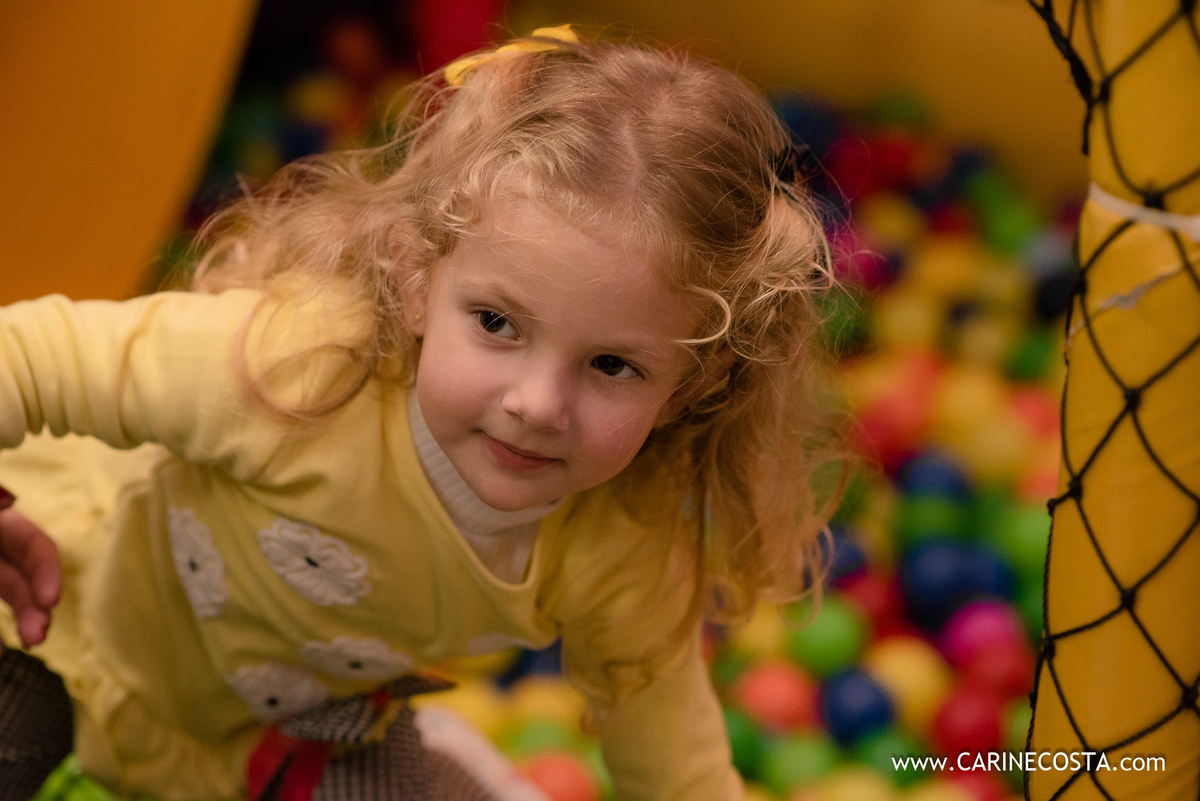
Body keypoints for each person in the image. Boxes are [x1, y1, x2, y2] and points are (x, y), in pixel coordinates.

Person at [0, 26, 846, 801]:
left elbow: (678, 766)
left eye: (613, 365)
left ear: (693, 383)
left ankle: (445, 759)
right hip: (54, 625)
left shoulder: (619, 542)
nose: (537, 404)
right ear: (414, 280)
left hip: (272, 746)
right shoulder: (300, 368)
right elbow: (32, 355)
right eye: (496, 324)